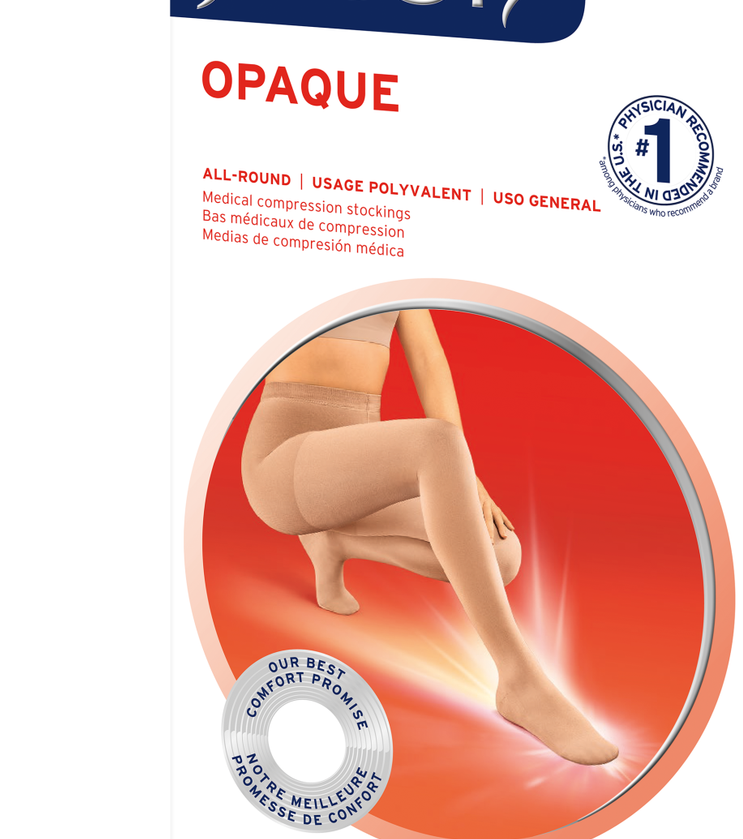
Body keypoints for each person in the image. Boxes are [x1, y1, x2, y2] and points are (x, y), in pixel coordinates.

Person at [240, 308, 618, 766]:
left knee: (502, 555)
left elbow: (428, 359)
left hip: (353, 469)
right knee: (436, 442)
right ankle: (520, 679)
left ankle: (334, 542)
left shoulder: (400, 277)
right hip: (284, 459)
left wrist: (464, 478)